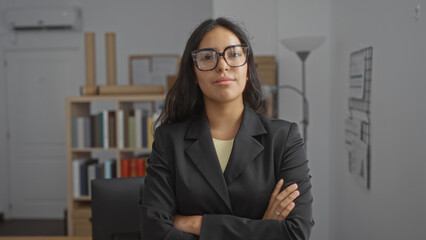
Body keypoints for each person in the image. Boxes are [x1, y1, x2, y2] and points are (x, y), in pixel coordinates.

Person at [140, 17, 314, 240]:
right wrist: (262, 227)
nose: (222, 65)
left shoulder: (284, 138)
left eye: (233, 54)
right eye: (207, 57)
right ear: (193, 73)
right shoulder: (168, 140)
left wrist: (198, 224)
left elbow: (295, 233)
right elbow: (155, 232)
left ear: (247, 67)